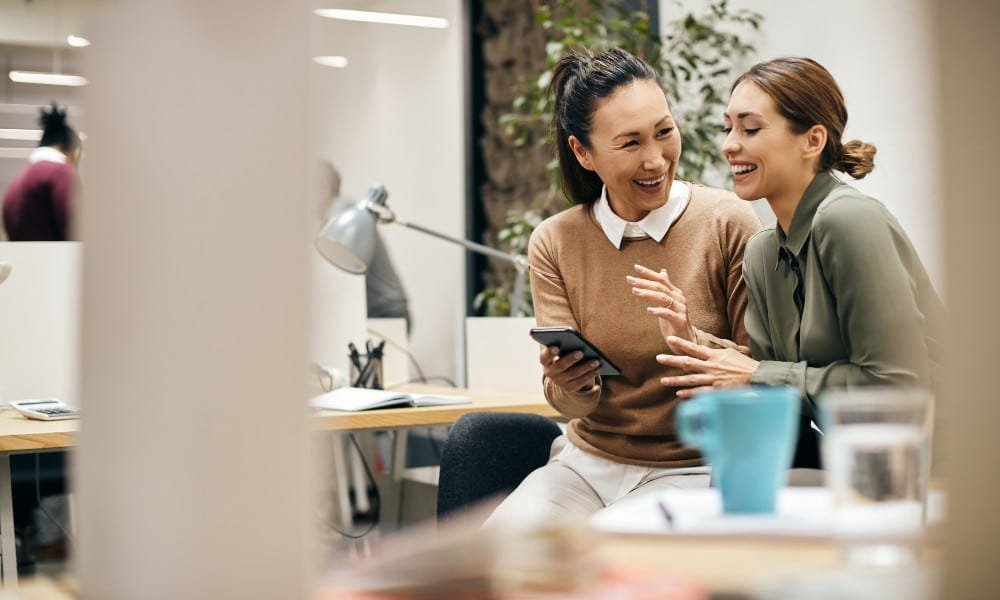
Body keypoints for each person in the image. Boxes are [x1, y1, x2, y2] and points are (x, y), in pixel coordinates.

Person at [483, 48, 760, 526]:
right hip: (584, 467)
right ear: (583, 153)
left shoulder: (727, 222)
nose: (656, 159)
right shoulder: (556, 241)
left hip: (691, 469)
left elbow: (754, 378)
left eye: (664, 132)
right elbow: (567, 401)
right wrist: (572, 383)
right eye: (630, 143)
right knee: (494, 560)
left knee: (605, 563)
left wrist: (686, 336)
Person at [649, 58, 945, 463]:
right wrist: (693, 338)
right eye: (727, 127)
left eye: (750, 128)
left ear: (813, 140)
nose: (729, 144)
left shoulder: (849, 220)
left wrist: (755, 375)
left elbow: (897, 385)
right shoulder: (762, 252)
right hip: (853, 458)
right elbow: (774, 380)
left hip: (944, 464)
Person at [318, 161, 412, 330]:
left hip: (386, 313)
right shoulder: (347, 215)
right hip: (388, 310)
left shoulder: (340, 213)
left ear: (323, 187)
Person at [3, 103, 82, 241]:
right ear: (72, 151)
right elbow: (73, 227)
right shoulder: (60, 172)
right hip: (56, 261)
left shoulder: (17, 182)